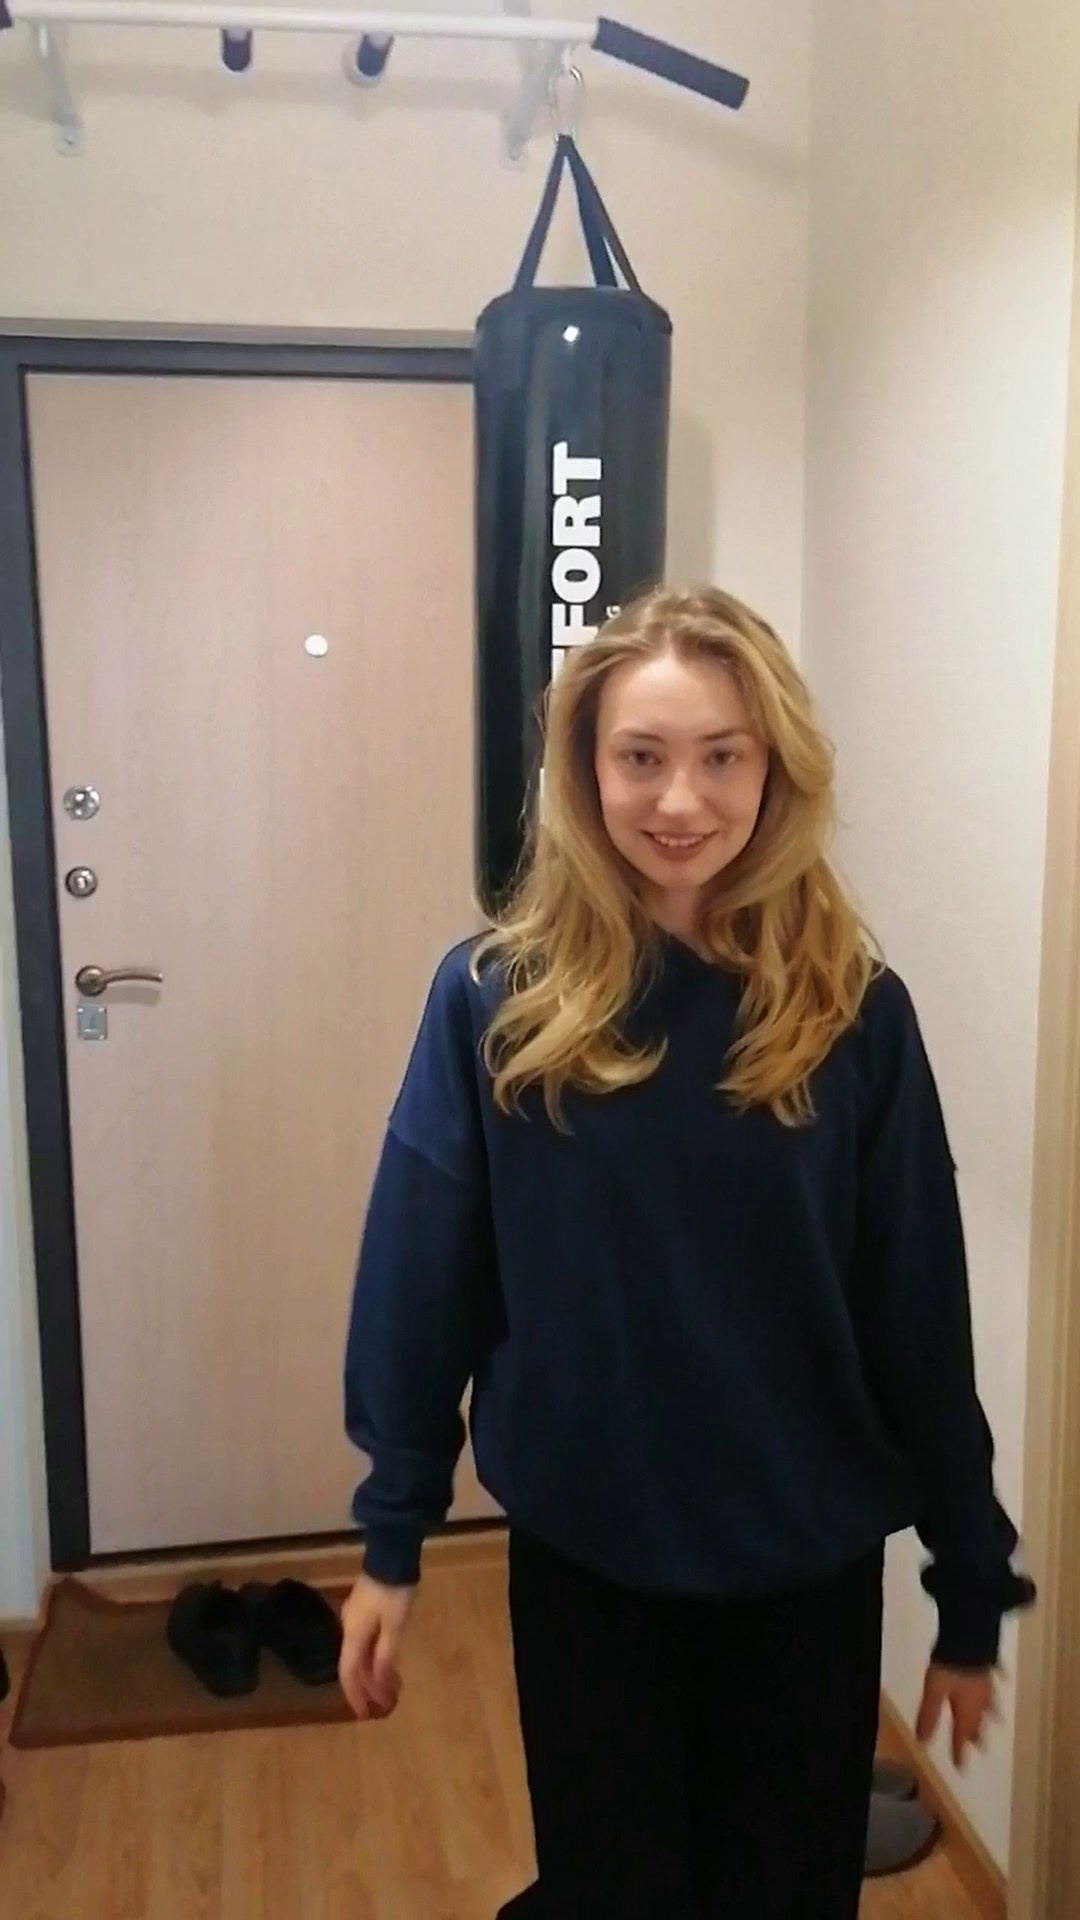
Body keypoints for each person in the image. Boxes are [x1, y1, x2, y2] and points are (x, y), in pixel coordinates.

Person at [338, 586, 1034, 1919]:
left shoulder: (851, 1012)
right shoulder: (494, 1002)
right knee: (614, 1891)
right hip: (590, 1560)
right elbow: (424, 1279)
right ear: (585, 768)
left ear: (775, 769)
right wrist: (392, 1537)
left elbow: (915, 1314)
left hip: (804, 1567)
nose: (680, 799)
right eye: (641, 756)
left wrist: (967, 1584)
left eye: (723, 755)